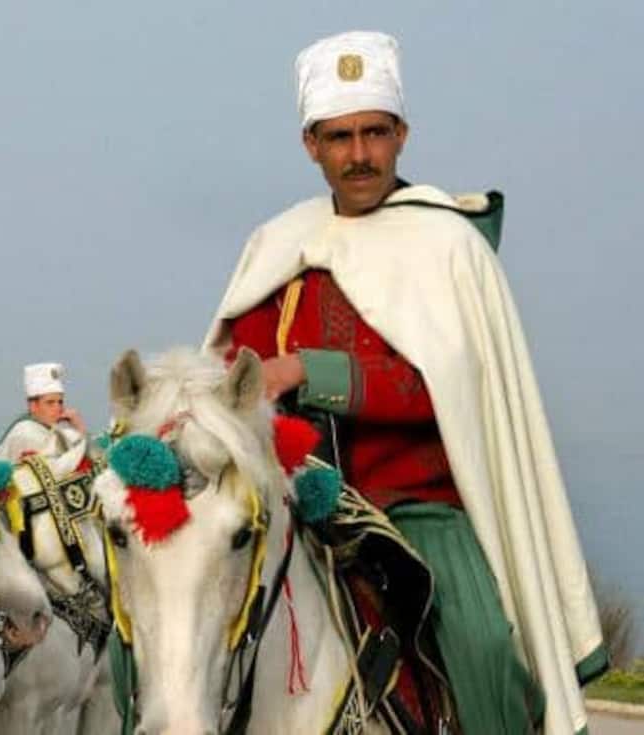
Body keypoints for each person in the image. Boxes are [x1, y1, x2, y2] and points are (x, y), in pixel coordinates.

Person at [202, 31, 603, 734]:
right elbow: (234, 376)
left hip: (415, 506)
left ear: (400, 134)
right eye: (338, 136)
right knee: (163, 618)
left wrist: (308, 371)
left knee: (481, 647)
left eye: (373, 133)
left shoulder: (446, 244)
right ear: (310, 145)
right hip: (287, 502)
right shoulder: (276, 245)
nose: (357, 154)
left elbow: (446, 384)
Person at [0, 362, 86, 462]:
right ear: (33, 406)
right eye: (50, 403)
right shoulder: (26, 433)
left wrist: (78, 426)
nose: (58, 408)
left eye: (60, 402)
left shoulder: (52, 430)